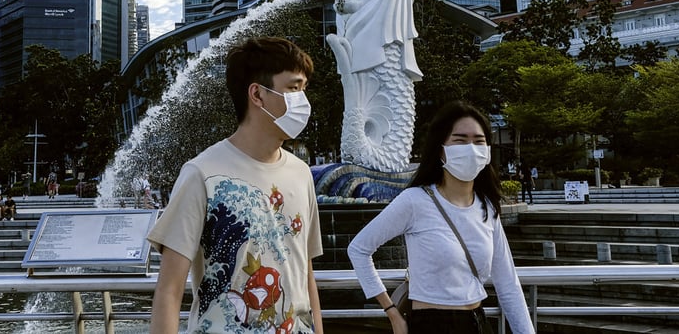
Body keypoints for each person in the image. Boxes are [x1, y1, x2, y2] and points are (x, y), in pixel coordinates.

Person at [148, 36, 324, 333]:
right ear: (257, 94)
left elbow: (304, 275)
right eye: (293, 88)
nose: (303, 101)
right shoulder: (201, 174)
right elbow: (168, 292)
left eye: (304, 89)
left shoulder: (302, 173)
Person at [347, 101, 534, 334]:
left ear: (487, 151)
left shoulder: (486, 207)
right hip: (432, 324)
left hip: (478, 321)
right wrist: (392, 312)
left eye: (478, 141)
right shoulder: (415, 201)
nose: (471, 148)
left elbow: (508, 284)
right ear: (440, 149)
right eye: (460, 140)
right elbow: (359, 249)